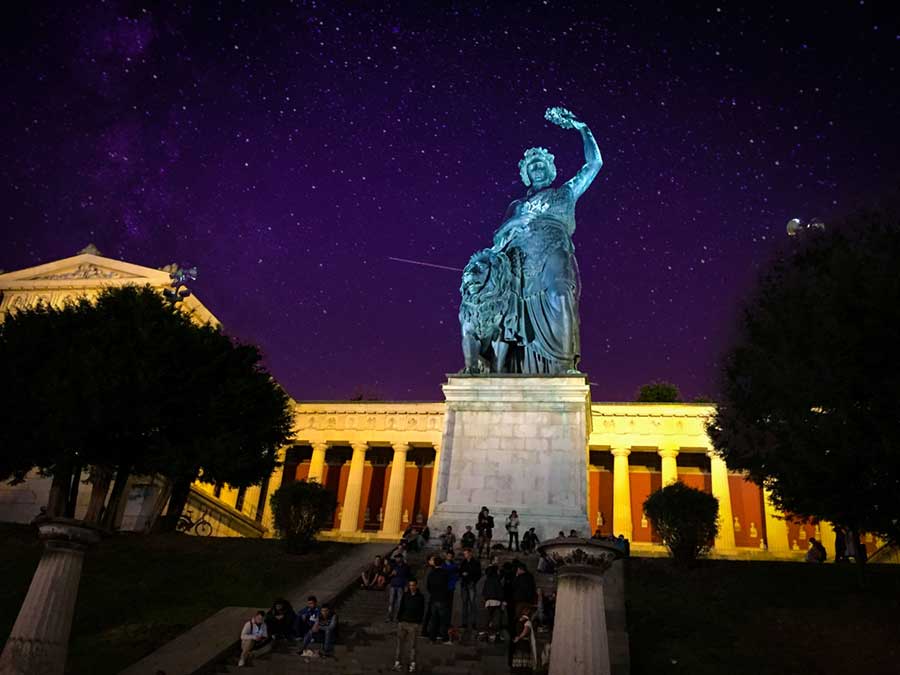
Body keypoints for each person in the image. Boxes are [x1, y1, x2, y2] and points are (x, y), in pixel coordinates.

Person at [393, 579, 425, 673]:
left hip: (413, 624)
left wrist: (418, 622)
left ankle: (413, 664)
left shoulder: (420, 597)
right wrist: (399, 620)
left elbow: (422, 610)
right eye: (410, 585)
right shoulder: (405, 595)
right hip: (403, 622)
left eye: (413, 585)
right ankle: (397, 663)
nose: (412, 587)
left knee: (413, 646)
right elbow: (401, 607)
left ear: (416, 586)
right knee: (400, 645)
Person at [425, 554, 451, 643]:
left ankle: (432, 638)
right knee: (443, 620)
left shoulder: (431, 574)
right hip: (443, 598)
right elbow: (447, 585)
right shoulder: (445, 573)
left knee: (434, 619)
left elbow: (428, 586)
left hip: (434, 598)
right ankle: (444, 638)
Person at [458, 547, 482, 630]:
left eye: (466, 553)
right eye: (464, 554)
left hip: (471, 585)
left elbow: (479, 574)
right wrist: (462, 574)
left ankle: (473, 623)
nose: (465, 555)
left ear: (470, 553)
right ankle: (464, 623)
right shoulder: (463, 562)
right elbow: (460, 572)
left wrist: (472, 580)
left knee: (472, 605)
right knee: (464, 605)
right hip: (464, 585)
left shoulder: (476, 562)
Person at [481, 559, 505, 641]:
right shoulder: (497, 580)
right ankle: (496, 634)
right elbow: (500, 591)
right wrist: (502, 600)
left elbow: (484, 591)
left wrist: (485, 599)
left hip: (489, 601)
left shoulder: (488, 580)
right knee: (496, 619)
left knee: (488, 618)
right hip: (497, 601)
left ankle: (486, 633)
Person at [387, 554, 411, 622]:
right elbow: (388, 576)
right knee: (391, 602)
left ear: (402, 558)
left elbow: (408, 577)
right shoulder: (393, 566)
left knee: (399, 603)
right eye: (396, 558)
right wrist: (391, 574)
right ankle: (389, 617)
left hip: (401, 586)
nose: (397, 559)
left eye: (398, 558)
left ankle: (397, 617)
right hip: (393, 586)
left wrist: (407, 585)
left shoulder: (406, 567)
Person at [442, 550, 460, 626]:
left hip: (450, 587)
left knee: (449, 606)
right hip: (444, 588)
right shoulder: (444, 565)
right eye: (448, 556)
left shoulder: (453, 566)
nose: (450, 557)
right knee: (443, 606)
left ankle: (447, 622)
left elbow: (457, 576)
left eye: (451, 556)